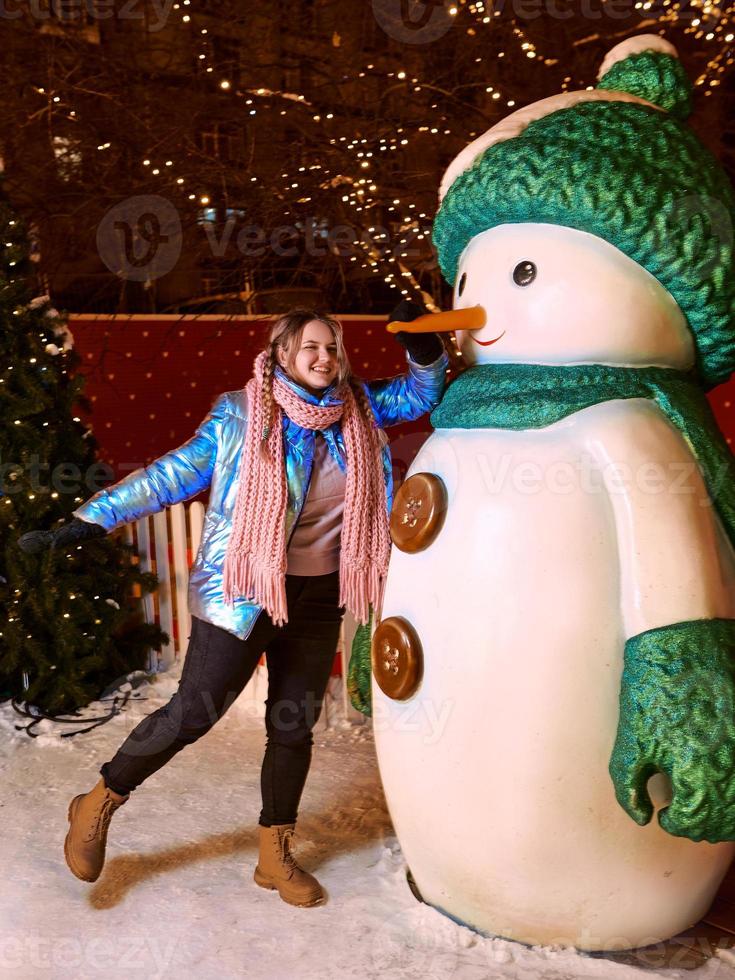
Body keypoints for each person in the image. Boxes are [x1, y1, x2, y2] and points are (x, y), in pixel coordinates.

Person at [21, 305, 447, 907]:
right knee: (194, 711)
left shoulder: (361, 407)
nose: (324, 358)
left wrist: (422, 343)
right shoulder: (240, 414)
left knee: (293, 726)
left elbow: (424, 389)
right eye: (309, 349)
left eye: (331, 347)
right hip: (243, 591)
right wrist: (86, 521)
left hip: (319, 595)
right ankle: (97, 802)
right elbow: (171, 475)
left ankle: (275, 855)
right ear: (280, 355)